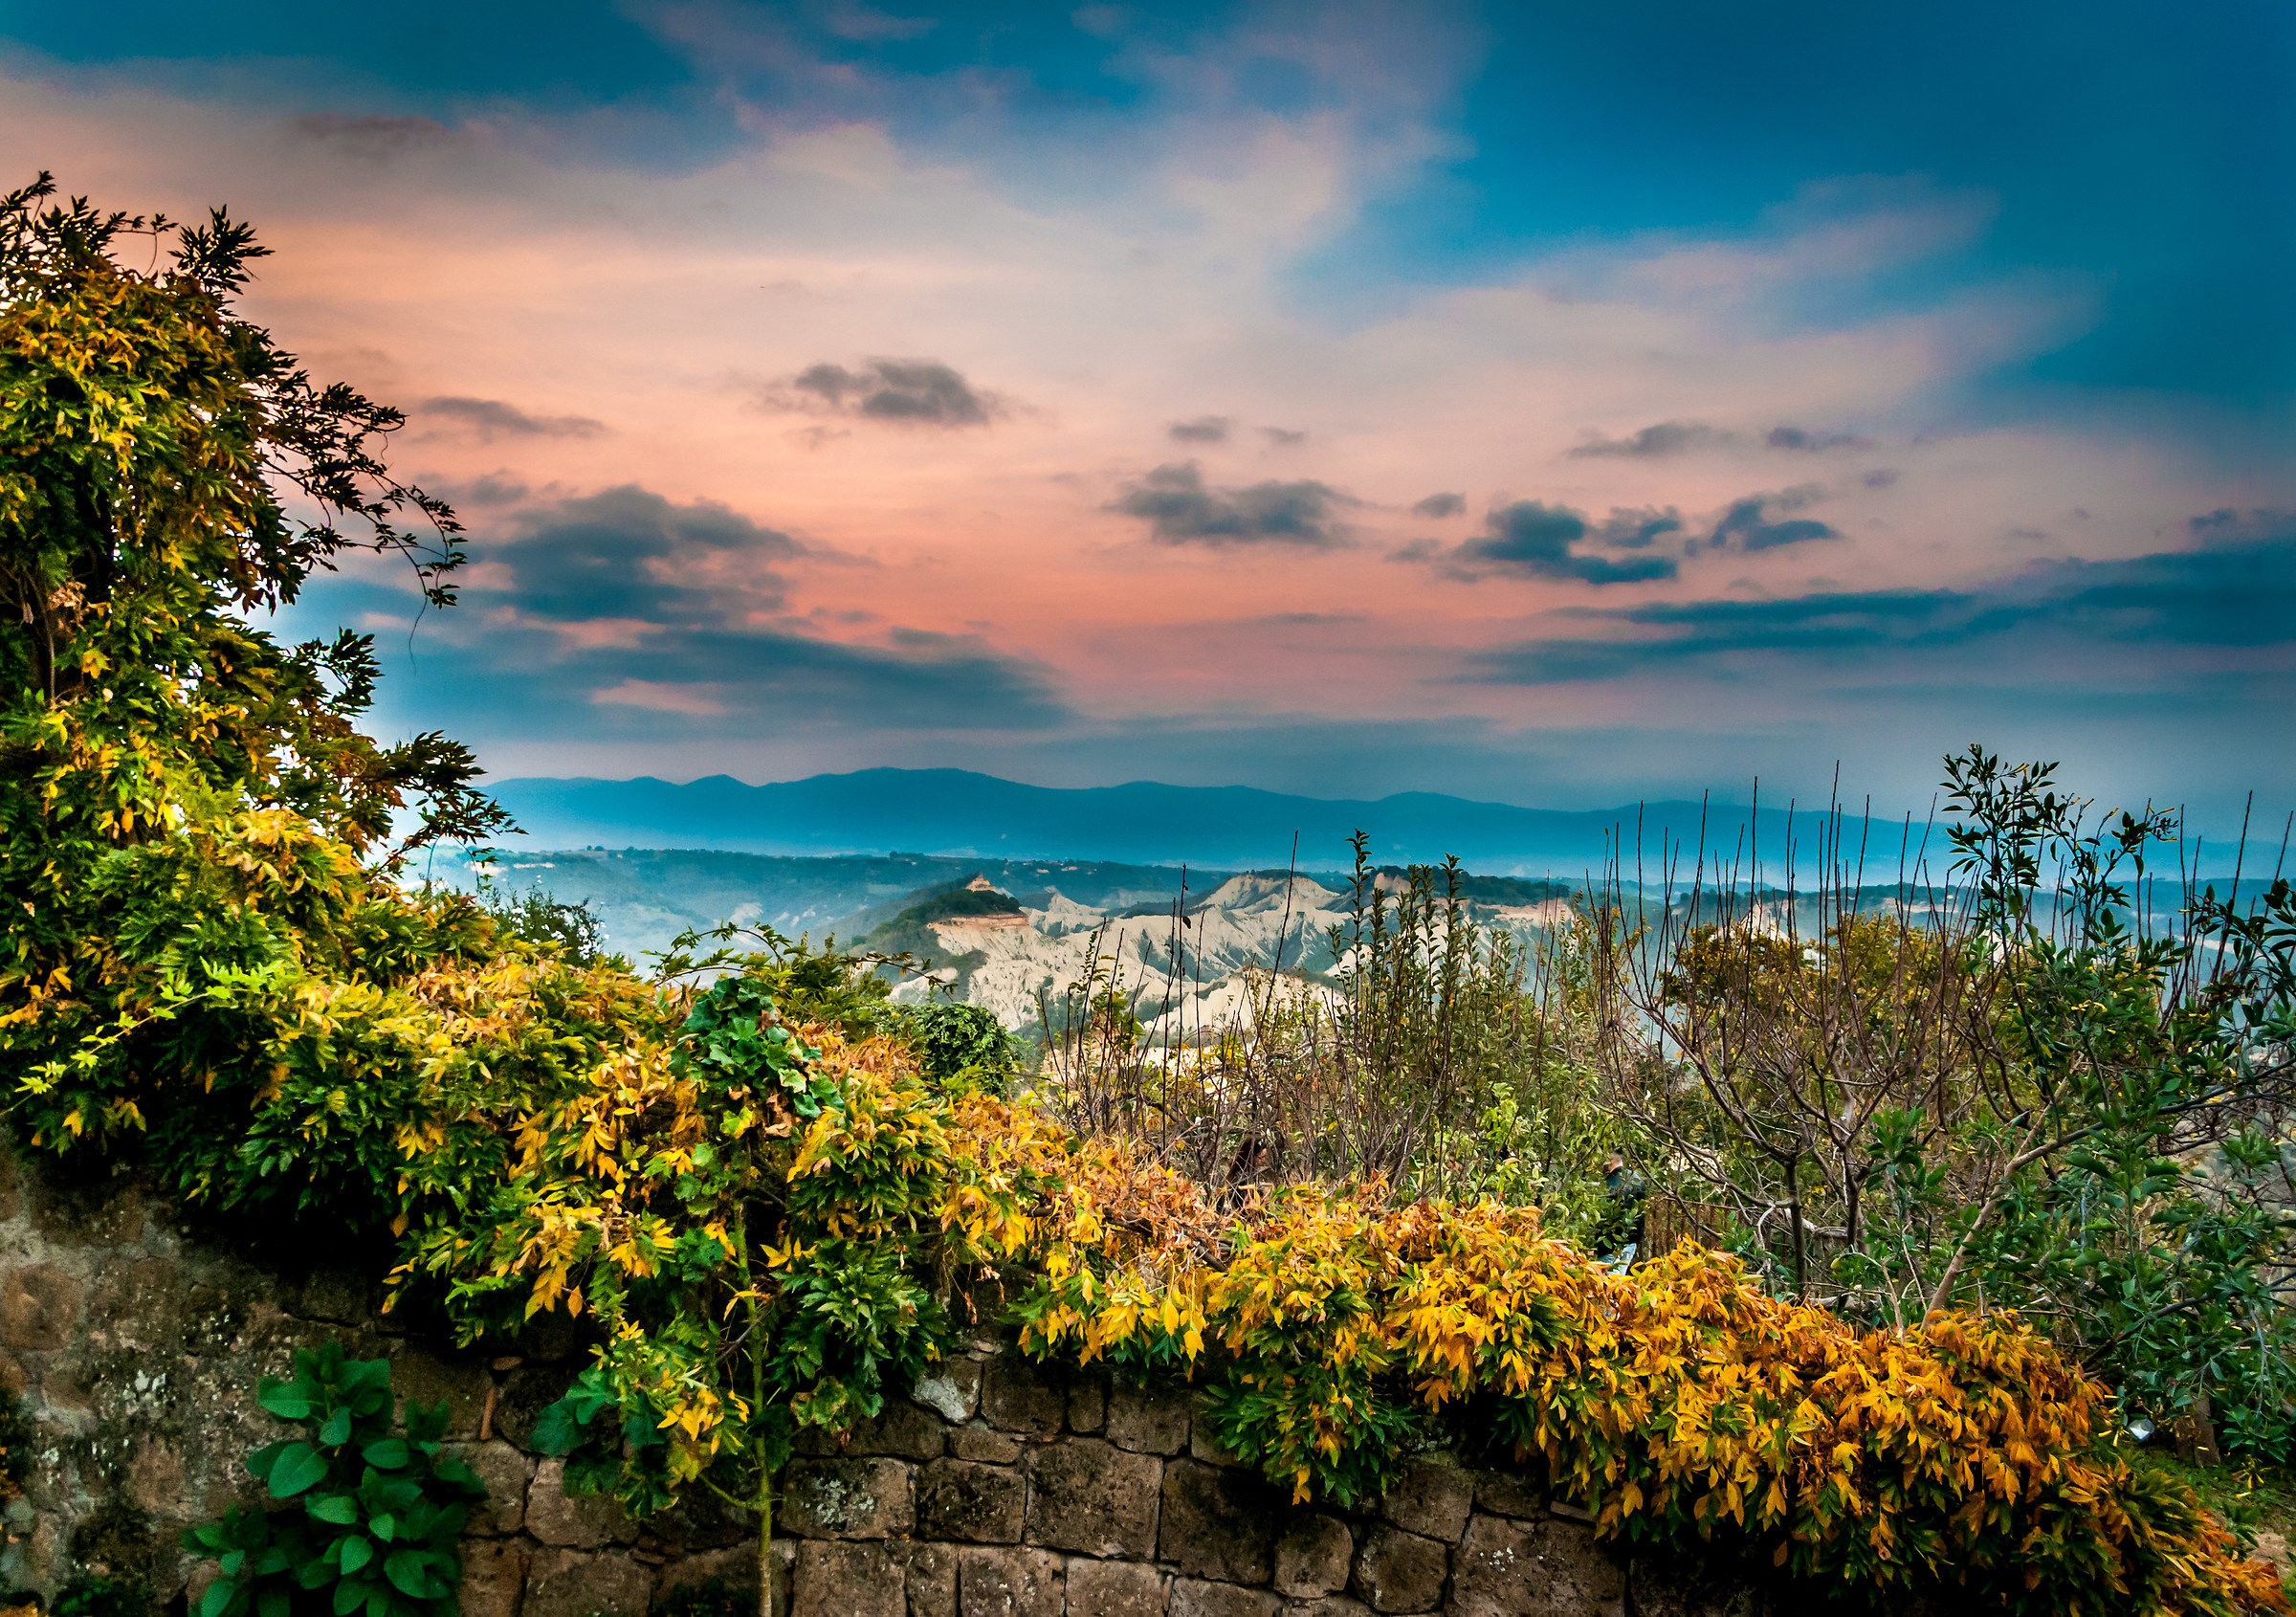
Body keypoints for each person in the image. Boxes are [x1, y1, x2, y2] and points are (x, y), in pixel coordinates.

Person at [1598, 1150, 1645, 1270]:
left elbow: (1602, 1218)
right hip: (1630, 1242)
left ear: (1611, 1160)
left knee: (1608, 1283)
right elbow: (1640, 1213)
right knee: (1619, 1282)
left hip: (1609, 1246)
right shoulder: (1637, 1180)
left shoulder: (1608, 1184)